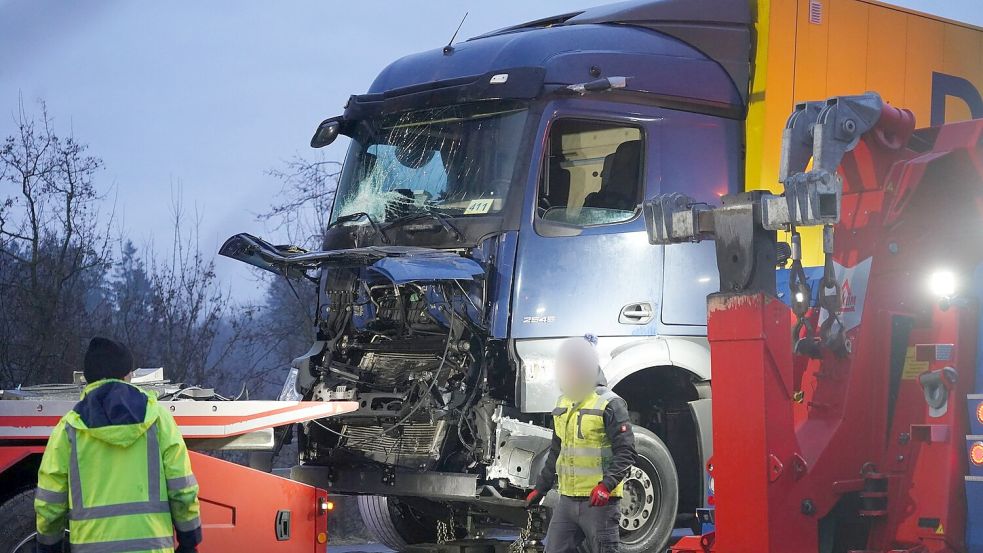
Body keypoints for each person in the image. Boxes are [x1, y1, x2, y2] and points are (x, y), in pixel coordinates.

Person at [34, 337, 203, 553]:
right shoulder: (159, 420)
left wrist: (48, 547)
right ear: (126, 375)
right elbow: (182, 489)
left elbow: (49, 503)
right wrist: (189, 541)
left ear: (88, 378)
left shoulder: (68, 429)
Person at [526, 334, 637, 553]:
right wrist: (540, 488)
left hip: (599, 504)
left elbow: (627, 452)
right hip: (566, 502)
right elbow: (557, 452)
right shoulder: (563, 403)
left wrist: (606, 486)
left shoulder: (610, 403)